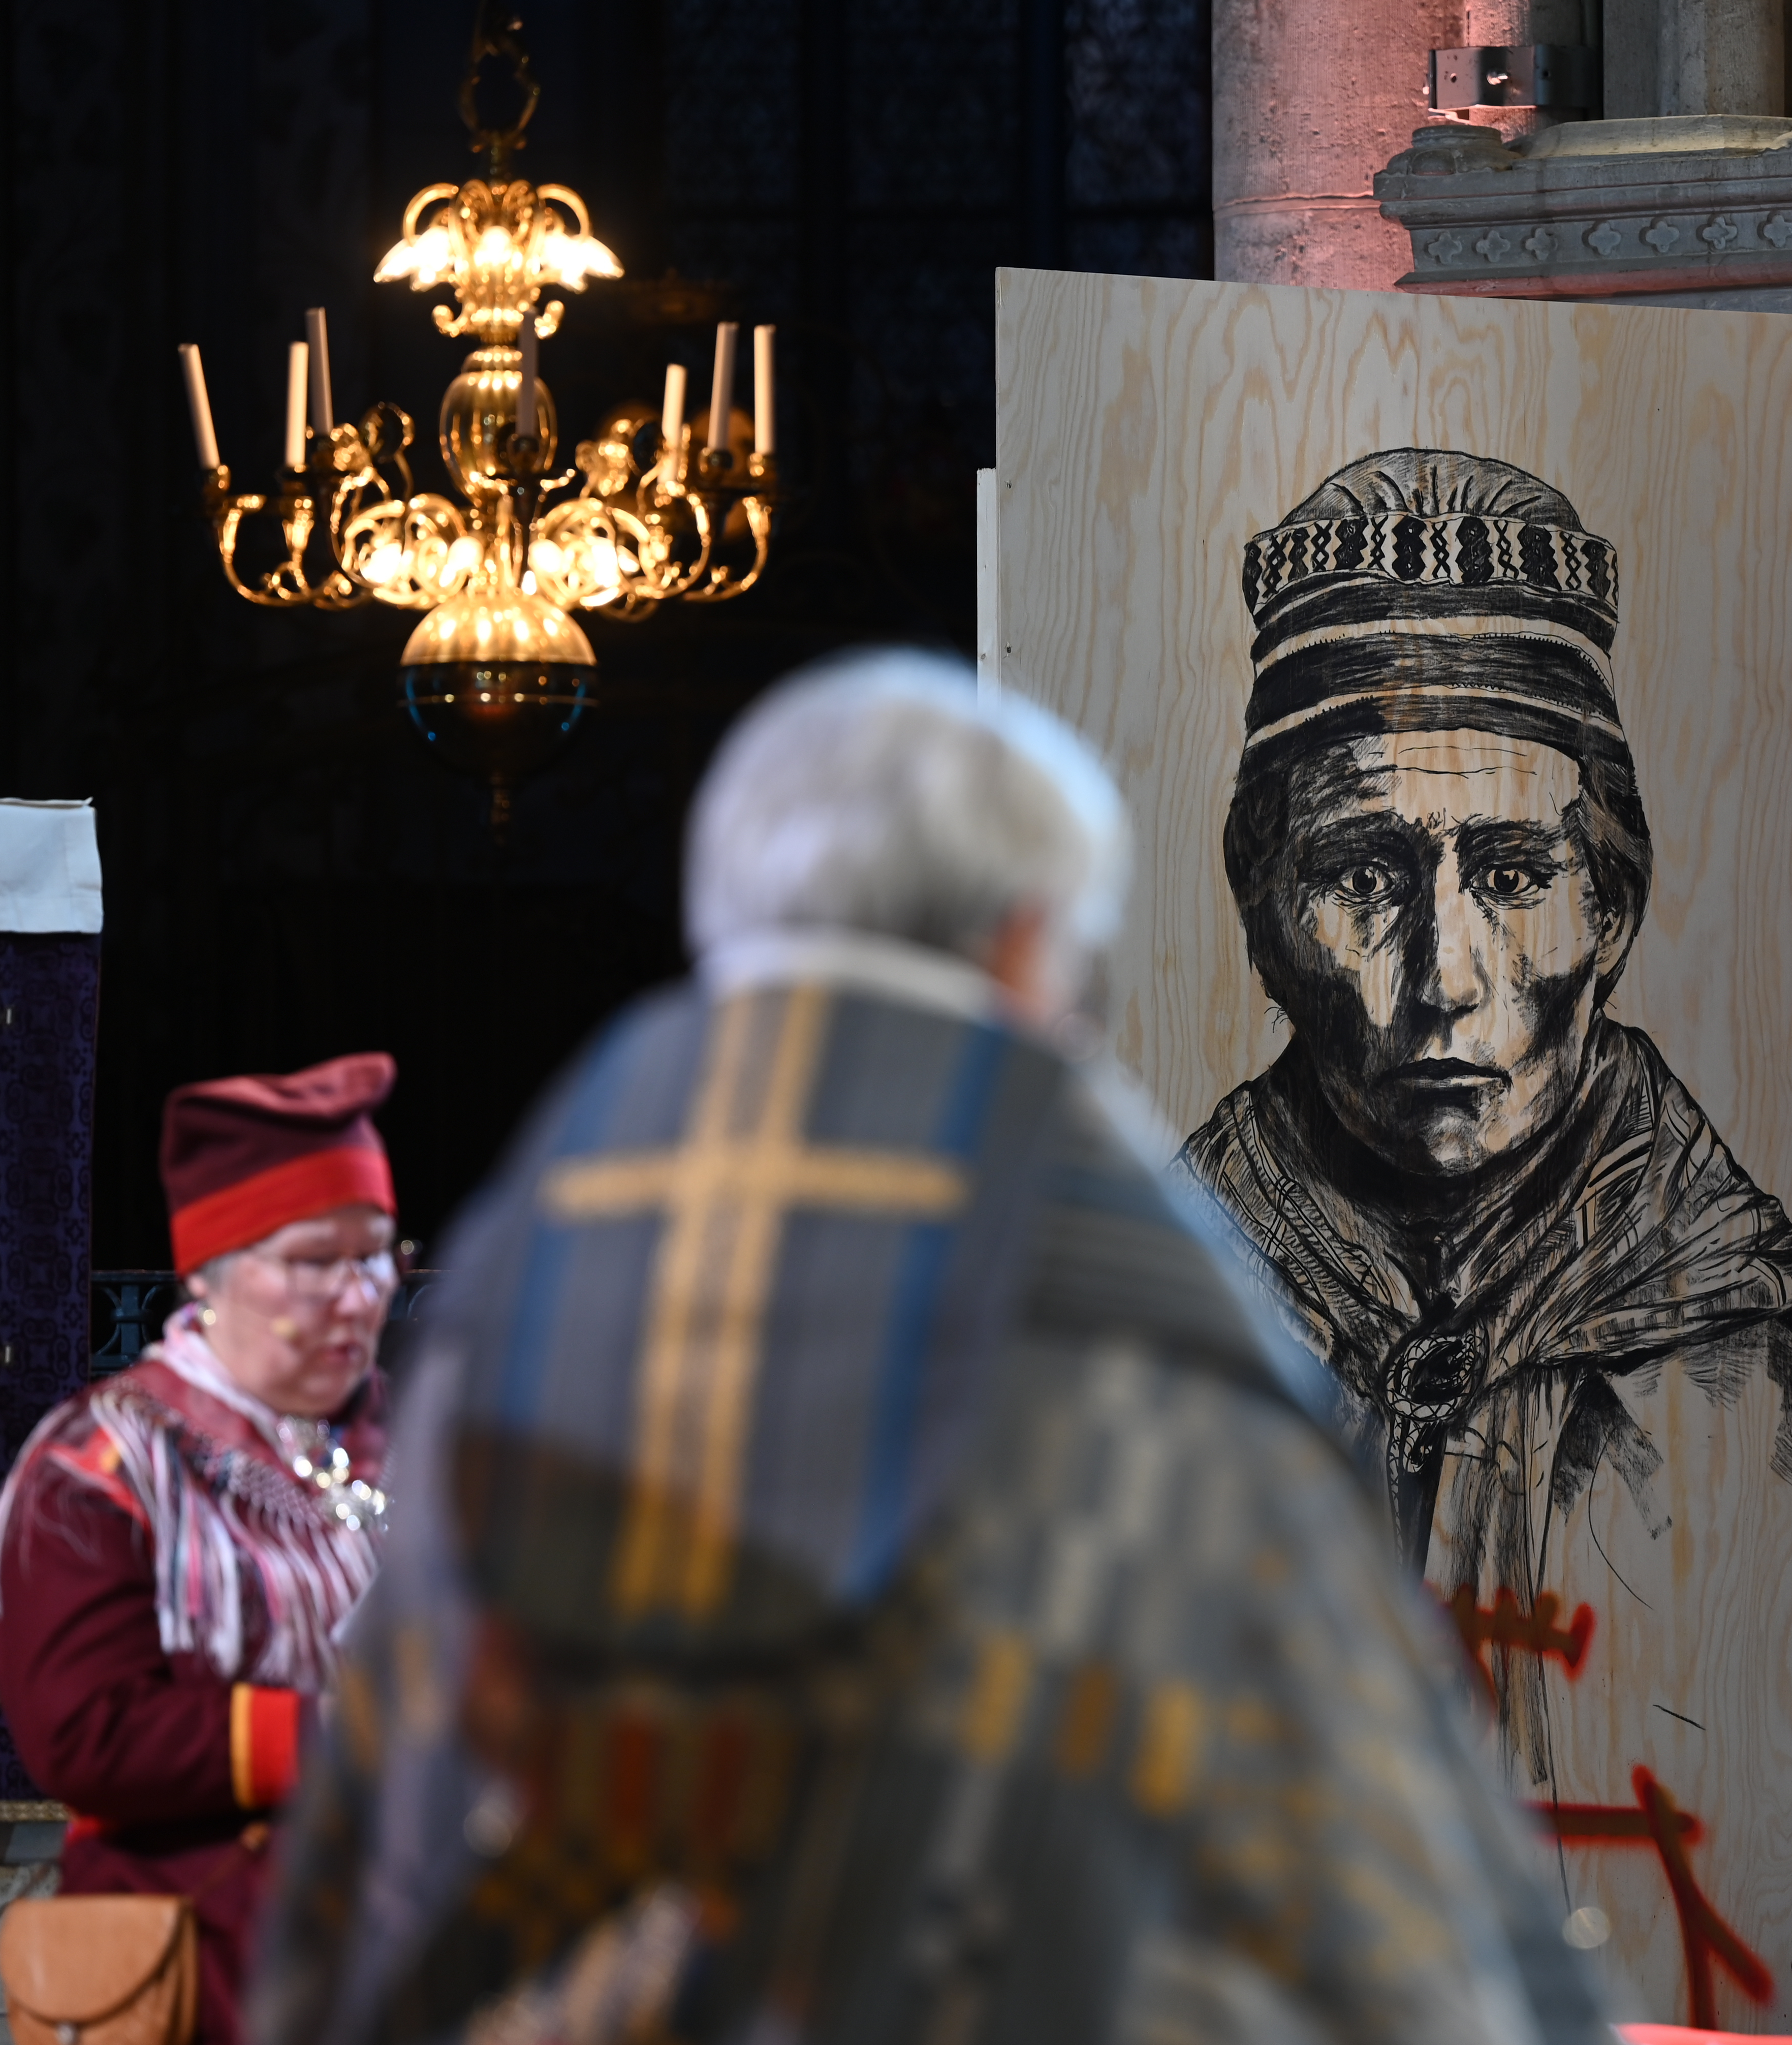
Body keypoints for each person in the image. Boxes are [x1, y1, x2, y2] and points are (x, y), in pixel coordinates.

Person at [246, 653, 1608, 2045]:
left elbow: (384, 1821)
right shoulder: (1120, 1283)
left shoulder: (514, 1267)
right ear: (1029, 942)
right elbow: (1383, 1873)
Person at [1177, 447, 1792, 1814]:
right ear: (1264, 916)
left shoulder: (1743, 1364)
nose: (1447, 976)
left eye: (1511, 874)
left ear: (1610, 911)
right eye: (1363, 875)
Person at [0, 1056, 401, 2045]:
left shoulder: (395, 1440)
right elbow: (82, 1731)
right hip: (199, 1957)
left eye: (374, 1255)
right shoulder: (98, 1464)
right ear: (210, 1270)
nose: (355, 1294)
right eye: (311, 1260)